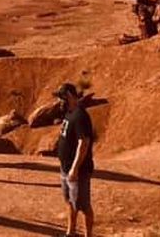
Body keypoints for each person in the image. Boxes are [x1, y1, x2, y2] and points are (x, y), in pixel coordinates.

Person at [55, 83, 94, 237]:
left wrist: (75, 168)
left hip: (78, 171)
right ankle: (70, 233)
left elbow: (83, 143)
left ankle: (88, 235)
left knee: (83, 206)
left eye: (62, 98)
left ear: (70, 96)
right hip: (66, 168)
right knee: (70, 202)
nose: (59, 102)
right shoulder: (69, 113)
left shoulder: (80, 115)